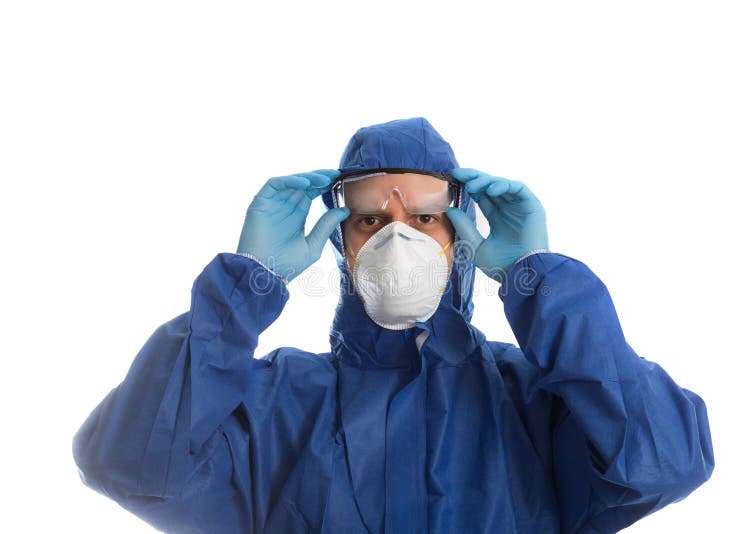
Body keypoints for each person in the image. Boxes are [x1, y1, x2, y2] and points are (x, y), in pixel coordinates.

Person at [73, 117, 714, 533]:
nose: (398, 240)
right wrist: (249, 281)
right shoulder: (274, 406)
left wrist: (535, 278)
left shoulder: (534, 403)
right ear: (339, 242)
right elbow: (132, 465)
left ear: (461, 235)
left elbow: (664, 463)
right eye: (372, 222)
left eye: (426, 220)